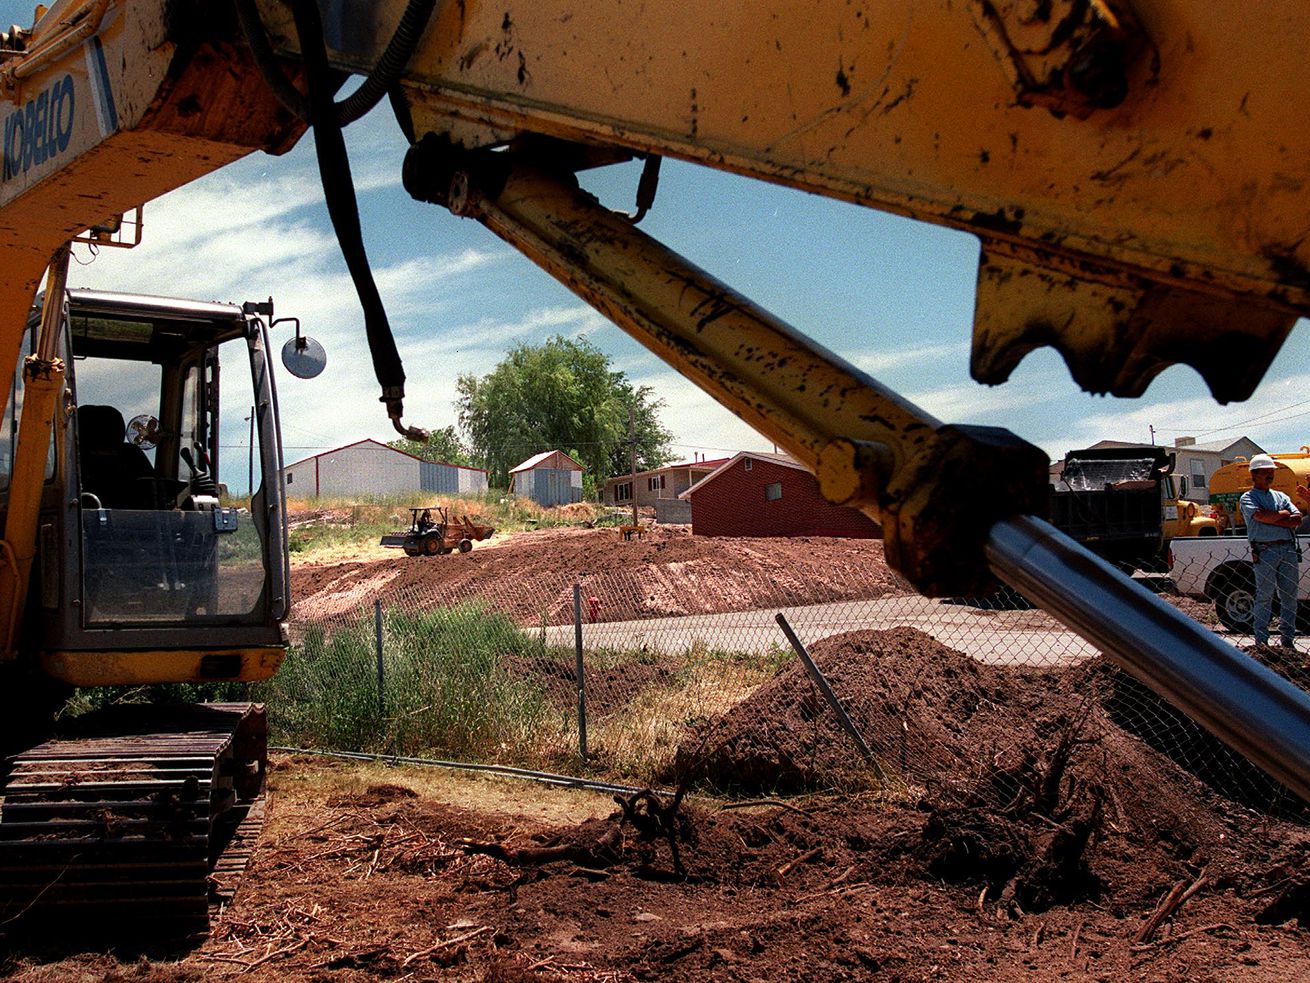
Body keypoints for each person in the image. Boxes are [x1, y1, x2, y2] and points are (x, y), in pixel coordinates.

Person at [1239, 454, 1302, 648]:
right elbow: (1260, 516)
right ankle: (1261, 642)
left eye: (1271, 472)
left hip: (1288, 548)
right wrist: (1283, 515)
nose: (1269, 476)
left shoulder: (1281, 496)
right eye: (1265, 472)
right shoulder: (1248, 497)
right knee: (1265, 596)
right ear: (1254, 475)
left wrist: (1274, 517)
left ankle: (1287, 640)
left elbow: (1297, 517)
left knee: (1289, 597)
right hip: (1265, 550)